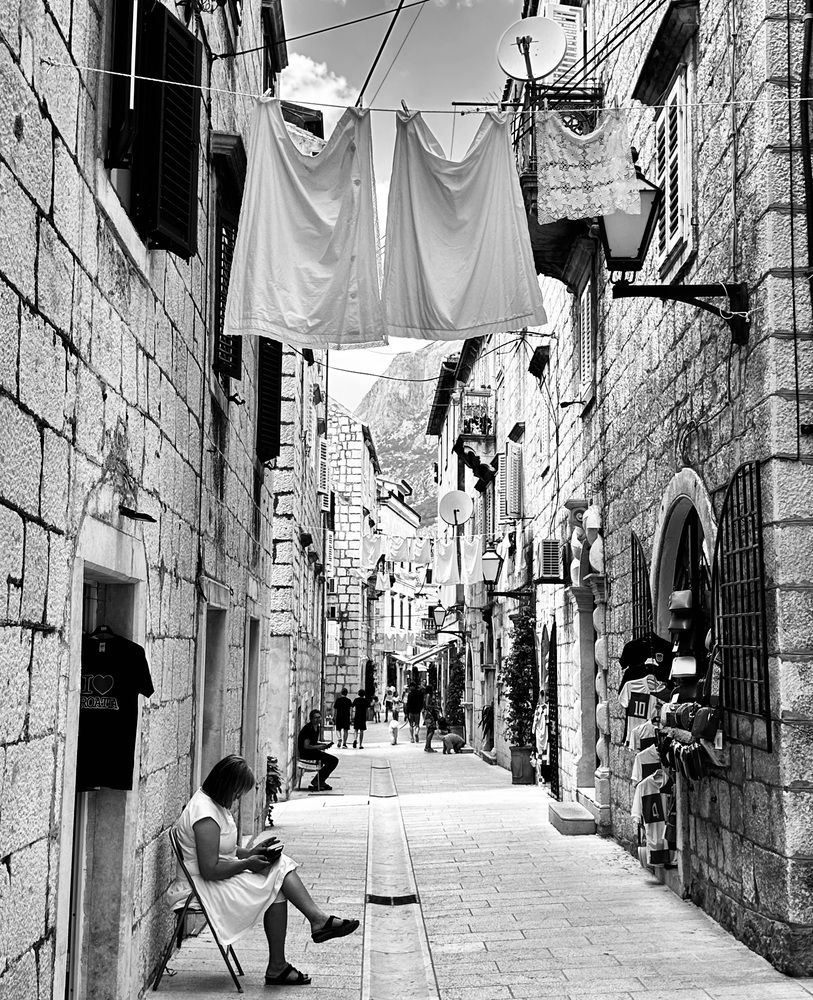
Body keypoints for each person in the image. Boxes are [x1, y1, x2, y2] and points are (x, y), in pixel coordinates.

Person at [175, 755, 359, 986]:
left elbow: (223, 850)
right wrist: (247, 864)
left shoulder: (213, 804)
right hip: (204, 887)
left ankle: (302, 939)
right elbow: (210, 869)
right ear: (226, 785)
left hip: (216, 878)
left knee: (279, 866)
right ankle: (300, 941)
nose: (238, 797)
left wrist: (251, 853)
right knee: (277, 882)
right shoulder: (205, 815)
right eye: (237, 792)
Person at [297, 710, 338, 791]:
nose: (318, 719)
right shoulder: (308, 729)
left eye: (319, 717)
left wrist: (323, 745)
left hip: (313, 752)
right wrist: (319, 747)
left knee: (332, 761)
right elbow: (306, 746)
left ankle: (319, 780)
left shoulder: (317, 727)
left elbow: (313, 742)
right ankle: (318, 781)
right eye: (315, 718)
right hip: (306, 753)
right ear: (311, 719)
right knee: (333, 760)